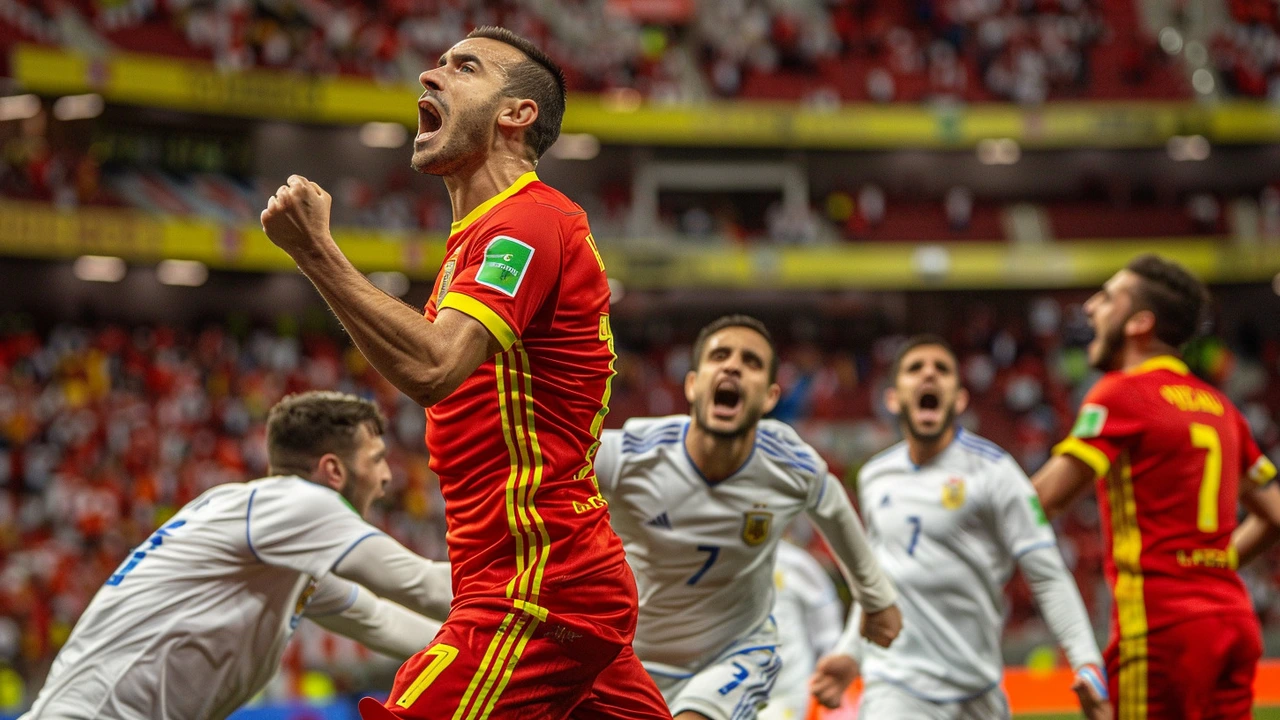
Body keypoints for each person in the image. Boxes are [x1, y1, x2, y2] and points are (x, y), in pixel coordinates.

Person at [259, 26, 670, 720]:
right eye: (437, 61)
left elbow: (434, 364)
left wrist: (317, 252)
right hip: (547, 577)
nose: (431, 74)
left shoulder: (526, 222)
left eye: (464, 67)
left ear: (517, 114)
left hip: (535, 586)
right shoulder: (482, 239)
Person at [20, 391, 452, 720]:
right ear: (334, 470)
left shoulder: (270, 530)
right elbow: (421, 585)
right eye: (375, 460)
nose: (386, 476)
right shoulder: (298, 503)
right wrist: (515, 597)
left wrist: (489, 650)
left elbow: (381, 620)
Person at [591, 315, 902, 720]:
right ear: (692, 385)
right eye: (720, 355)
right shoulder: (626, 455)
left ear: (771, 396)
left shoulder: (791, 465)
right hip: (632, 658)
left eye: (751, 362)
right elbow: (545, 476)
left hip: (736, 655)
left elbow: (836, 510)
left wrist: (877, 599)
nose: (733, 366)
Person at [1034, 254, 1280, 720]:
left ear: (1139, 323)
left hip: (1162, 629)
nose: (1090, 308)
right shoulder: (1220, 407)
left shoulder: (1121, 392)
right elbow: (1275, 515)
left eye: (1107, 297)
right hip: (1233, 622)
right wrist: (1213, 562)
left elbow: (1040, 501)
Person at [852, 335, 1109, 720]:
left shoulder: (996, 472)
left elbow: (1047, 574)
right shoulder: (874, 477)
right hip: (896, 687)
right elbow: (873, 582)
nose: (928, 375)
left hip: (978, 692)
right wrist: (846, 653)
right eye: (914, 368)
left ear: (959, 400)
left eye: (941, 369)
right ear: (892, 399)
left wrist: (1086, 660)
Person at [758, 535, 845, 720]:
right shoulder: (716, 564)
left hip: (787, 689)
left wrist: (828, 665)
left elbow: (828, 626)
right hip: (730, 690)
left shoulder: (794, 563)